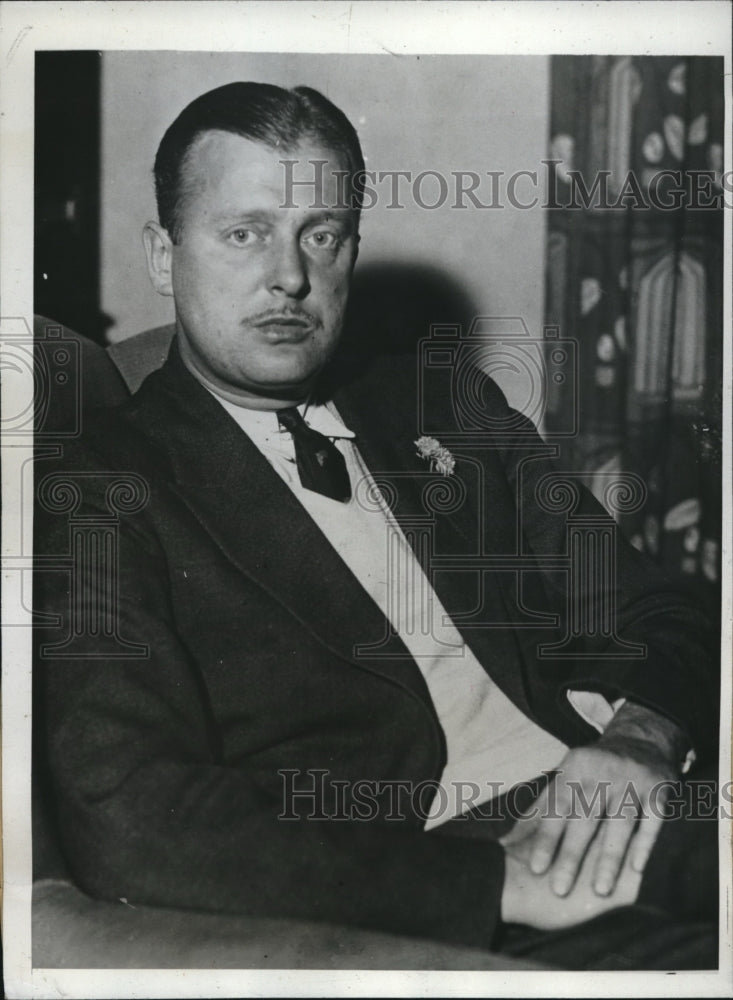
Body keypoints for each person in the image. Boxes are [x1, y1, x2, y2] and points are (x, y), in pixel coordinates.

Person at [35, 82, 719, 970]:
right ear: (163, 258)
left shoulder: (441, 401)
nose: (290, 276)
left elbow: (658, 606)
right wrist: (497, 885)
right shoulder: (100, 485)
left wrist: (641, 737)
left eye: (321, 235)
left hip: (628, 801)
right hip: (436, 893)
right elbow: (130, 812)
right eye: (243, 234)